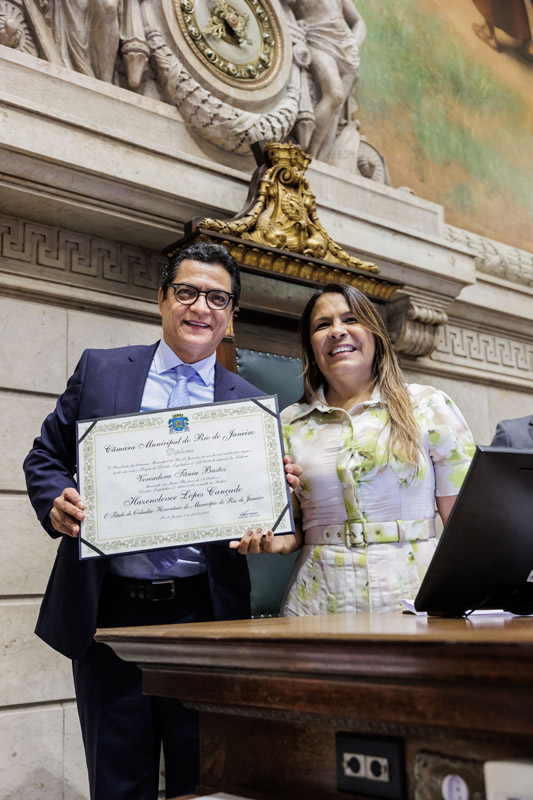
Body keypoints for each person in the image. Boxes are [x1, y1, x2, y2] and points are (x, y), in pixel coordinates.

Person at [23, 242, 300, 800]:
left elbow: (276, 524)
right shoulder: (102, 369)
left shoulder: (250, 406)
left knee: (204, 780)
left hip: (205, 614)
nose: (201, 307)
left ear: (230, 316)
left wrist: (271, 503)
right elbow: (45, 458)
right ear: (161, 300)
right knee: (117, 780)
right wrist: (57, 501)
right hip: (111, 613)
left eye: (217, 298)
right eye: (188, 291)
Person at [232, 283, 475, 616]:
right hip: (319, 600)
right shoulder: (286, 423)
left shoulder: (429, 406)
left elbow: (467, 524)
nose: (337, 331)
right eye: (323, 325)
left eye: (350, 319)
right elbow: (294, 531)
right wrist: (275, 541)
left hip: (414, 593)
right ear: (311, 347)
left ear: (374, 334)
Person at [285, 0, 367, 159]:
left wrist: (354, 44)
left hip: (346, 46)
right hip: (317, 38)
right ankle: (306, 156)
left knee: (336, 111)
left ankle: (317, 162)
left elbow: (359, 22)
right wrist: (295, 21)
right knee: (334, 95)